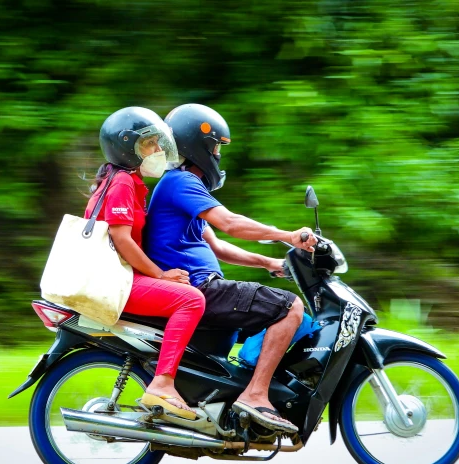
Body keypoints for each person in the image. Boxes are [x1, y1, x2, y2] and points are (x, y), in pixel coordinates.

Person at [144, 104, 317, 433]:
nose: (217, 155)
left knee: (271, 313)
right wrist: (287, 236)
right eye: (215, 146)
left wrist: (270, 262)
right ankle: (255, 395)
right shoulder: (181, 183)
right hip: (200, 288)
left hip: (202, 285)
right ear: (196, 145)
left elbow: (219, 246)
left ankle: (241, 390)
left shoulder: (178, 186)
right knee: (289, 307)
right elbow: (230, 224)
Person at [85, 107, 205, 420]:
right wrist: (161, 274)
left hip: (118, 277)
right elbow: (122, 239)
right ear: (128, 148)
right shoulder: (123, 182)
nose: (157, 151)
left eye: (156, 143)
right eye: (149, 144)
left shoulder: (129, 182)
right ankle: (163, 384)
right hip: (114, 280)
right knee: (191, 300)